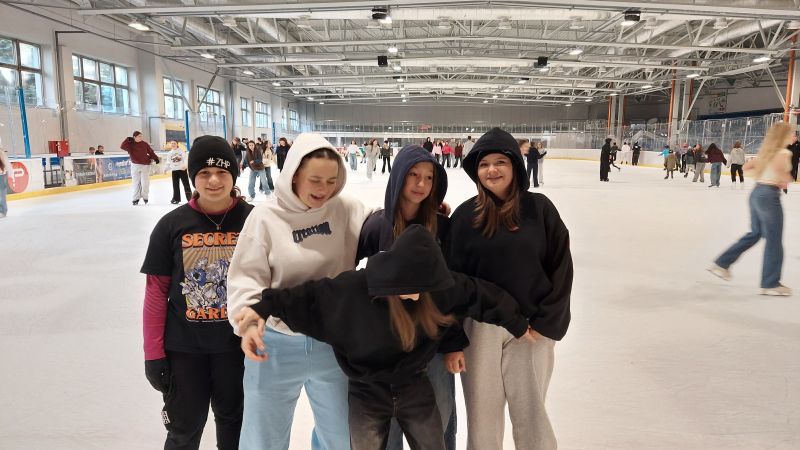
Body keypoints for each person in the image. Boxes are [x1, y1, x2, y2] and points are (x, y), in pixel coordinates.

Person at [234, 225, 532, 450]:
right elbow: (306, 298)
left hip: (415, 384)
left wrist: (518, 324)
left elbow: (481, 296)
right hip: (366, 391)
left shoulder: (441, 287)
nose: (418, 295)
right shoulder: (352, 291)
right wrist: (262, 308)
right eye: (412, 286)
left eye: (426, 288)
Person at [227, 133, 371, 450]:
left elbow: (385, 226)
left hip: (333, 343)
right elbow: (246, 278)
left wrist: (427, 214)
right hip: (274, 345)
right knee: (262, 441)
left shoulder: (346, 209)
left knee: (343, 438)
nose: (324, 189)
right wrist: (249, 324)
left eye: (332, 181)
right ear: (294, 175)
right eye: (315, 180)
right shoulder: (265, 217)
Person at [444, 127, 573, 450]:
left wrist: (547, 323)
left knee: (532, 415)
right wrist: (453, 341)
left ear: (515, 164)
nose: (492, 170)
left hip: (531, 329)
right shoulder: (464, 217)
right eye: (484, 164)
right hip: (479, 331)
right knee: (483, 419)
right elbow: (452, 283)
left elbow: (560, 267)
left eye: (500, 162)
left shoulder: (539, 209)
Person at [140, 135, 251, 450]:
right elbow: (156, 294)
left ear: (234, 174)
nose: (213, 180)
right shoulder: (171, 225)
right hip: (184, 351)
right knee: (184, 431)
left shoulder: (254, 220)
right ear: (192, 177)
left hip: (237, 349)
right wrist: (153, 354)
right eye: (204, 173)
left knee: (235, 427)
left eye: (222, 172)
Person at [356, 145, 457, 450]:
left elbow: (452, 291)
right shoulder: (377, 226)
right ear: (399, 175)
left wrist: (453, 343)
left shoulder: (442, 227)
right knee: (389, 430)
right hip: (388, 347)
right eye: (413, 174)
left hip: (433, 343)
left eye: (429, 177)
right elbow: (352, 279)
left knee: (438, 423)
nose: (421, 184)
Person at [708, 122, 795, 296]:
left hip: (757, 193)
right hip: (769, 196)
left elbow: (746, 167)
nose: (794, 136)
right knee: (774, 240)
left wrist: (766, 174)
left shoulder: (766, 153)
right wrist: (786, 178)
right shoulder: (784, 153)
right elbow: (781, 173)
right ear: (783, 136)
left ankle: (721, 263)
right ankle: (771, 283)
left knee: (755, 233)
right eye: (792, 133)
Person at [120, 131, 161, 205]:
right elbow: (122, 146)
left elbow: (151, 152)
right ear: (134, 137)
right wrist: (127, 139)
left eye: (141, 136)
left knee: (145, 182)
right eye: (139, 136)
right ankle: (135, 198)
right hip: (135, 166)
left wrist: (156, 158)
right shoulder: (130, 144)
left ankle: (145, 196)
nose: (141, 137)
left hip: (145, 165)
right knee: (136, 183)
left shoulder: (144, 144)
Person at [167, 140, 192, 204]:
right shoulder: (169, 153)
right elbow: (168, 162)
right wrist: (166, 169)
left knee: (186, 184)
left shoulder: (181, 151)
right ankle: (176, 199)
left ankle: (190, 198)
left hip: (182, 170)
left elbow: (185, 159)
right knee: (175, 185)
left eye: (174, 143)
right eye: (172, 143)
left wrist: (185, 165)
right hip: (174, 170)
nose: (173, 144)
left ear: (177, 144)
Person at [0, 146, 9, 218]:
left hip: (1, 175)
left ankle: (3, 211)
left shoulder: (1, 152)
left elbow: (5, 163)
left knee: (1, 194)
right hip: (2, 174)